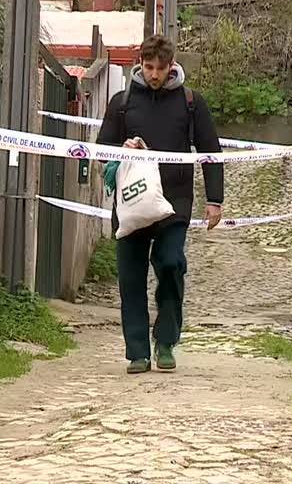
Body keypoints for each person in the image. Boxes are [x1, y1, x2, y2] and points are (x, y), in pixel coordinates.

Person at [96, 34, 224, 374]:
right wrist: (121, 148)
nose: (153, 75)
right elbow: (101, 150)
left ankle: (165, 341)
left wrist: (215, 200)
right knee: (131, 277)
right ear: (140, 63)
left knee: (171, 264)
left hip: (174, 202)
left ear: (172, 66)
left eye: (160, 68)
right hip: (132, 203)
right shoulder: (121, 103)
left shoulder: (190, 102)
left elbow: (211, 151)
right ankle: (137, 351)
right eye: (148, 67)